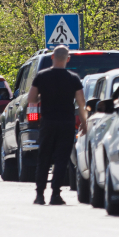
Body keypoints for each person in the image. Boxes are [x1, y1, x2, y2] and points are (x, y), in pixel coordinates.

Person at [28, 45, 88, 205]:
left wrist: (43, 97)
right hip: (66, 123)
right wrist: (84, 122)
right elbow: (81, 103)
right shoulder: (73, 78)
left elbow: (31, 99)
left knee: (44, 157)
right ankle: (56, 195)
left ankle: (39, 195)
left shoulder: (41, 76)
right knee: (62, 159)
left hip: (48, 123)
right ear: (68, 59)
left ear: (53, 57)